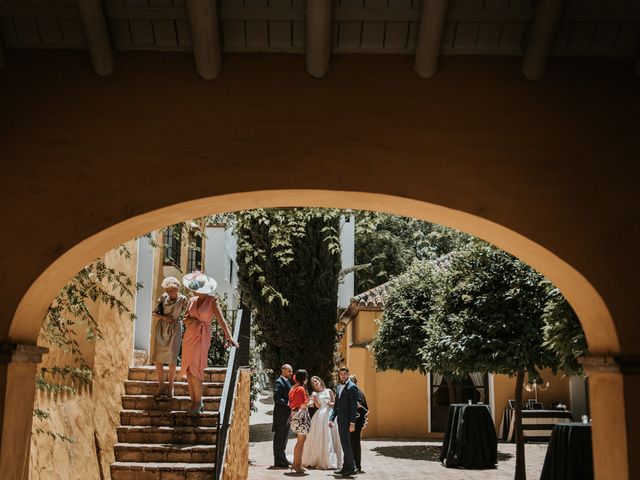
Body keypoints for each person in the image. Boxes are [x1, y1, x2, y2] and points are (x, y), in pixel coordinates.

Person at [181, 271, 238, 413]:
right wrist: (189, 320)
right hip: (189, 336)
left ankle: (198, 402)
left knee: (196, 369)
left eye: (195, 288)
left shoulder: (212, 301)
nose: (193, 290)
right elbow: (185, 318)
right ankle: (193, 401)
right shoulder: (192, 301)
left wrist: (229, 336)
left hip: (202, 336)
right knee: (188, 369)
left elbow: (221, 320)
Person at [151, 276, 188, 398]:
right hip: (161, 329)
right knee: (158, 358)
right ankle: (161, 385)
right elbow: (154, 313)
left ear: (177, 288)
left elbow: (188, 313)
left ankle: (171, 387)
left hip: (175, 329)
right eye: (168, 291)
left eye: (172, 290)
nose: (170, 293)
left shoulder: (183, 299)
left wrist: (186, 320)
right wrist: (164, 317)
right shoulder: (162, 298)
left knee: (172, 358)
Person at [302, 376, 343, 470]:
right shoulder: (315, 394)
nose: (315, 383)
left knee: (331, 437)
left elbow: (335, 403)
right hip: (320, 415)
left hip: (330, 414)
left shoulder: (329, 391)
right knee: (321, 437)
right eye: (313, 383)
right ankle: (321, 459)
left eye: (316, 381)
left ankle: (332, 459)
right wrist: (315, 398)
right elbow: (318, 406)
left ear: (320, 381)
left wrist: (330, 404)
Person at [329, 366, 359, 476]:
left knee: (346, 444)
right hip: (340, 421)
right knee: (344, 444)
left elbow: (354, 407)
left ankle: (352, 468)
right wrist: (331, 418)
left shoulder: (352, 387)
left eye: (345, 374)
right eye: (341, 374)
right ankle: (346, 467)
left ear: (348, 374)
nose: (343, 375)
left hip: (347, 422)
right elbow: (336, 406)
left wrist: (352, 423)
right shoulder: (338, 387)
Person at [288, 369, 311, 474]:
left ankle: (299, 464)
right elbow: (302, 404)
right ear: (304, 378)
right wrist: (310, 403)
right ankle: (295, 464)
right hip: (301, 416)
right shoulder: (300, 389)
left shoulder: (294, 387)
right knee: (300, 442)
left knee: (300, 441)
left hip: (297, 416)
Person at [272, 364, 293, 468]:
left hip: (287, 414)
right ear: (283, 370)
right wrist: (288, 403)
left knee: (284, 437)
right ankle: (278, 460)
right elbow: (276, 398)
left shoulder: (287, 381)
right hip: (280, 414)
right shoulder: (278, 382)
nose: (291, 373)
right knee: (279, 437)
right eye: (289, 371)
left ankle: (282, 458)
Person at [350, 375, 369, 474]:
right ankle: (355, 465)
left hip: (356, 421)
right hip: (357, 421)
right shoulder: (357, 390)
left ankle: (356, 465)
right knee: (354, 442)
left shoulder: (356, 391)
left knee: (355, 442)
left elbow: (359, 404)